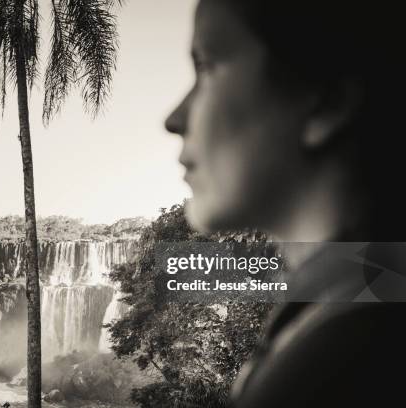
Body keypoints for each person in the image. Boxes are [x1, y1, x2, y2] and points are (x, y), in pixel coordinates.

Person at [165, 1, 405, 406]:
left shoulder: (340, 360)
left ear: (326, 99)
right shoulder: (370, 295)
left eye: (206, 67)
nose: (174, 118)